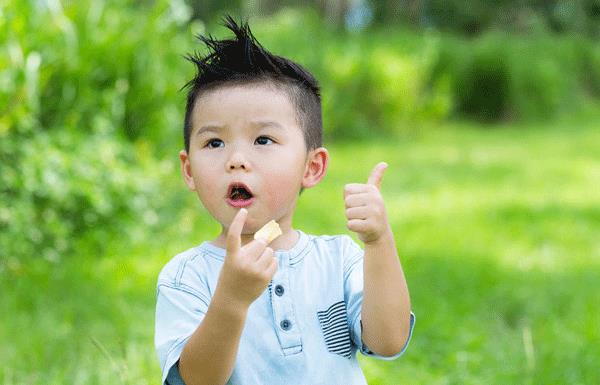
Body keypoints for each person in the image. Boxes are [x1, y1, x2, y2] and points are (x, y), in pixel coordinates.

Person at [154, 15, 415, 385]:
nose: (236, 159)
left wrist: (379, 241)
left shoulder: (338, 261)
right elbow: (197, 379)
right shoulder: (186, 277)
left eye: (262, 140)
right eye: (214, 142)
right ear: (189, 170)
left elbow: (388, 341)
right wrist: (231, 299)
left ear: (311, 167)